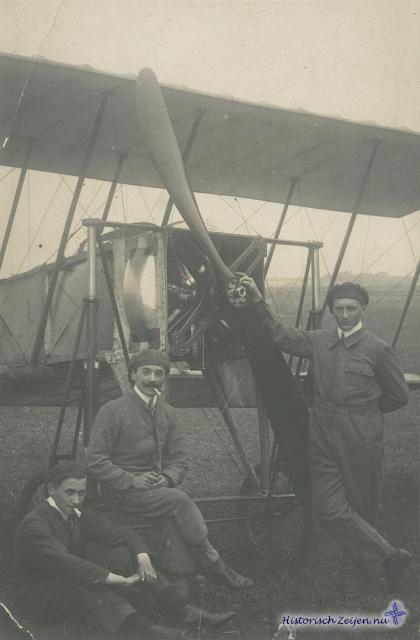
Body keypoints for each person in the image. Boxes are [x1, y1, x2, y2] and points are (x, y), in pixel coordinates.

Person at [228, 276, 411, 598]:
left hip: (360, 436)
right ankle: (390, 556)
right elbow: (279, 334)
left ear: (363, 309)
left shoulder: (379, 350)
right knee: (328, 508)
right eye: (339, 309)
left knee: (363, 507)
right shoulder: (319, 341)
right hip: (322, 434)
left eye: (351, 308)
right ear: (332, 311)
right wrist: (256, 298)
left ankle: (363, 575)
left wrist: (363, 411)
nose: (345, 314)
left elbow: (399, 395)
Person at [85, 349, 253, 590]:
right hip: (120, 491)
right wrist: (132, 480)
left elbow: (180, 459)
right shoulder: (113, 411)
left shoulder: (169, 413)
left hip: (156, 491)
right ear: (133, 375)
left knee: (172, 518)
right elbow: (94, 459)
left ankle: (179, 581)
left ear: (164, 377)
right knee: (179, 501)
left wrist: (167, 478)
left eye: (158, 374)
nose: (152, 379)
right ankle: (214, 564)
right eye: (146, 372)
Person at [14, 462, 235, 639]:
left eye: (81, 493)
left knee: (123, 554)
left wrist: (143, 558)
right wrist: (116, 580)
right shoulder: (36, 525)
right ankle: (150, 631)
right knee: (88, 582)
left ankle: (185, 610)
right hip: (41, 595)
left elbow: (123, 533)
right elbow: (67, 563)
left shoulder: (76, 513)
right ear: (51, 490)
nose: (76, 500)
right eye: (69, 492)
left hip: (69, 576)